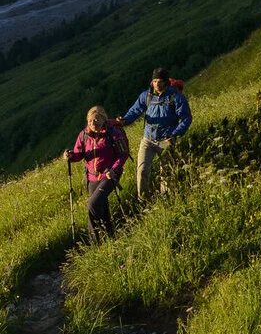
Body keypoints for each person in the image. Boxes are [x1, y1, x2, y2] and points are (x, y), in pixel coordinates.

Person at [124, 67, 192, 200]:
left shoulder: (175, 96)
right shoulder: (147, 96)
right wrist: (124, 120)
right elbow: (135, 111)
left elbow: (186, 118)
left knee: (167, 173)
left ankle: (166, 200)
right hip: (148, 139)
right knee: (142, 170)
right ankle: (143, 200)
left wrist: (175, 134)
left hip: (166, 140)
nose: (157, 84)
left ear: (166, 82)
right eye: (154, 81)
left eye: (160, 81)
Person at [64, 106, 129, 241]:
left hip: (110, 174)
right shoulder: (83, 135)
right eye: (90, 121)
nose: (93, 124)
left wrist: (114, 169)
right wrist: (70, 156)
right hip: (92, 176)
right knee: (101, 205)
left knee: (92, 204)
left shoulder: (114, 133)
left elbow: (123, 154)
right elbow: (79, 155)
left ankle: (95, 242)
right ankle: (110, 236)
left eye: (96, 120)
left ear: (104, 120)